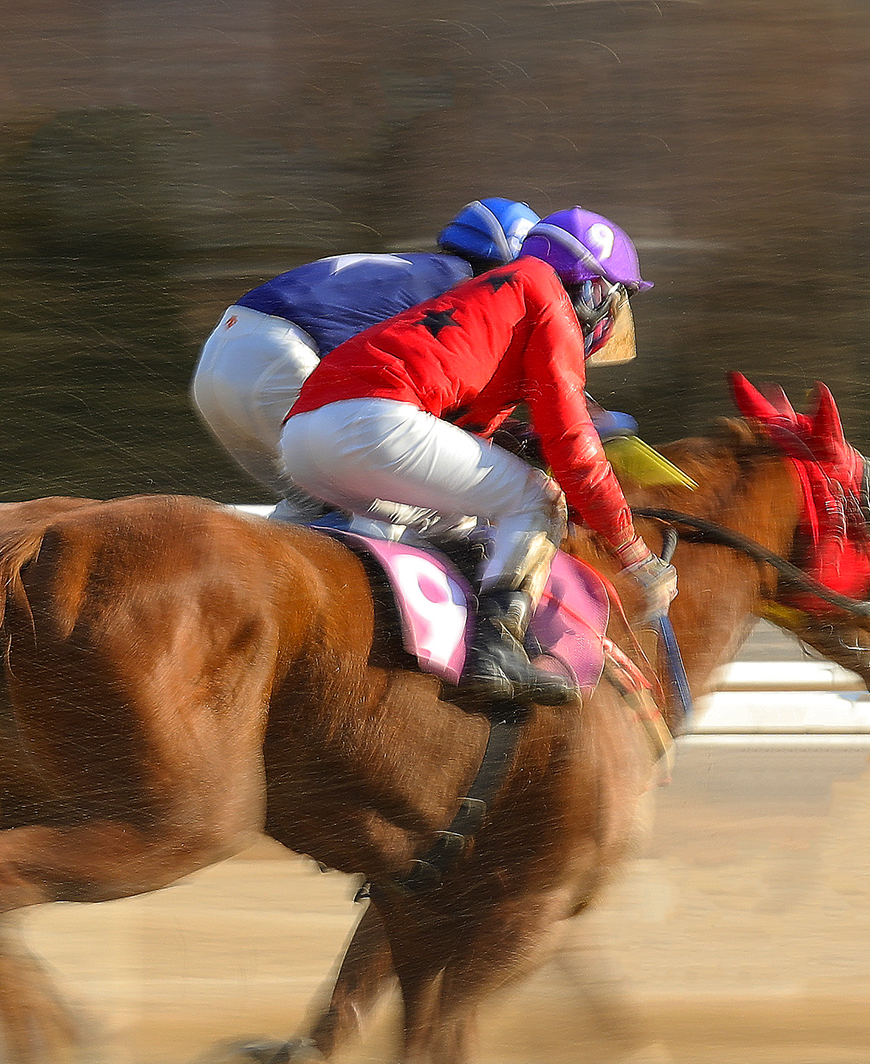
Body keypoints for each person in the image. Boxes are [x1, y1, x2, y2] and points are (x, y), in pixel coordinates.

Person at [278, 207, 676, 708]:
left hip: (303, 440)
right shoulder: (548, 297)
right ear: (594, 292)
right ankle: (496, 649)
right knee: (538, 501)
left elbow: (466, 427)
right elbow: (573, 443)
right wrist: (633, 553)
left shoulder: (496, 295)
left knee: (461, 524)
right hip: (373, 425)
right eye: (618, 303)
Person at [190, 199, 540, 523]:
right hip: (281, 358)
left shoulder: (417, 267)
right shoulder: (466, 290)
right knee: (426, 511)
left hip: (218, 360)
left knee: (311, 513)